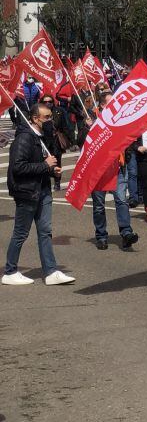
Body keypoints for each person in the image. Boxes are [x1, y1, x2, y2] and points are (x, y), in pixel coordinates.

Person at [3, 103, 73, 286]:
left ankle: (50, 271)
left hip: (42, 191)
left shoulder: (41, 137)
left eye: (51, 116)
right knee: (21, 233)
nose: (51, 120)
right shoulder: (24, 138)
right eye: (47, 117)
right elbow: (18, 167)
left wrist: (52, 171)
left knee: (45, 232)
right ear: (35, 119)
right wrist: (45, 166)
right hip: (27, 193)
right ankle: (10, 271)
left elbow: (41, 163)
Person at [90, 94, 138, 251]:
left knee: (121, 200)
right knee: (99, 206)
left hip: (118, 167)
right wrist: (89, 129)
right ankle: (101, 236)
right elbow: (81, 145)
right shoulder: (93, 120)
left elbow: (130, 140)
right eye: (112, 103)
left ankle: (126, 233)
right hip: (99, 170)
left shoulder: (122, 119)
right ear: (103, 106)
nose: (117, 105)